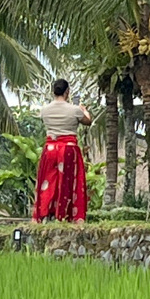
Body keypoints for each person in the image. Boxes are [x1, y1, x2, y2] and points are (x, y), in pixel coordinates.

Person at [33, 78, 92, 222]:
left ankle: (43, 214)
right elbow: (88, 122)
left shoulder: (44, 110)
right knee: (69, 183)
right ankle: (69, 215)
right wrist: (84, 110)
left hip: (50, 149)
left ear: (53, 91)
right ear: (67, 92)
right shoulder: (74, 110)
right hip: (68, 149)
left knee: (47, 182)